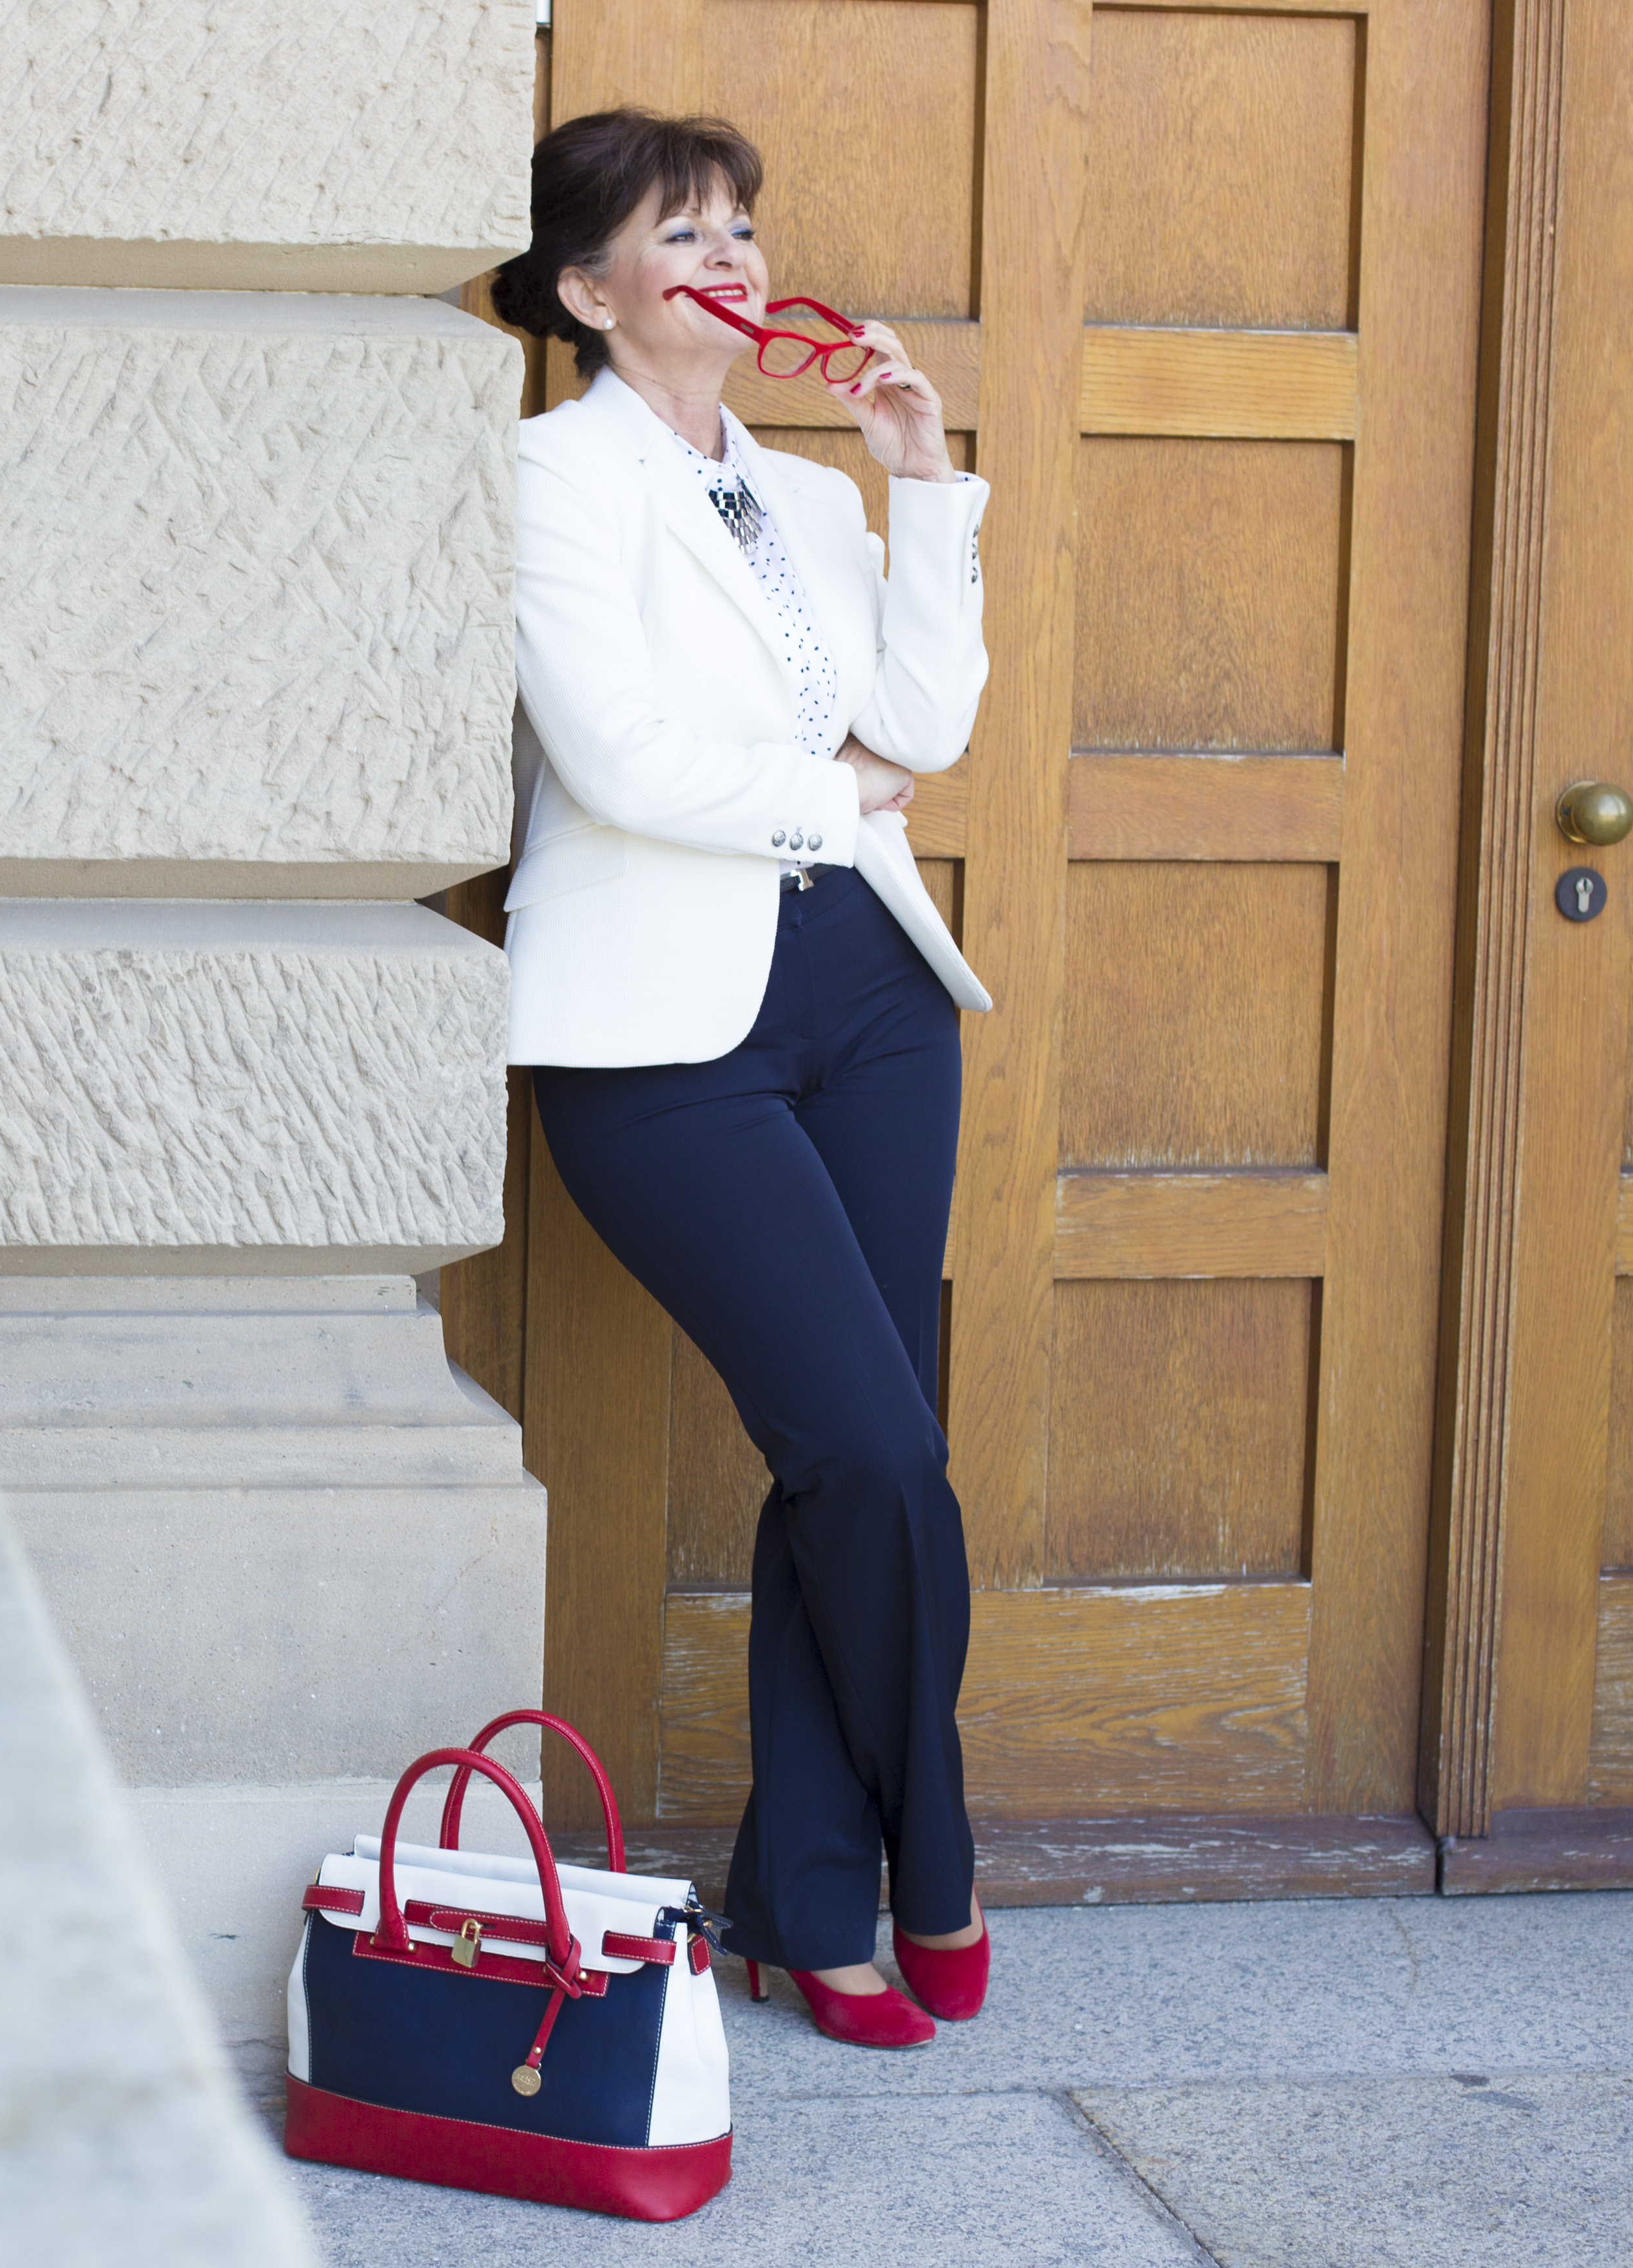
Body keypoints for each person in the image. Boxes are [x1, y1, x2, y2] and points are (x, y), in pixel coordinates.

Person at [487, 108, 995, 2050]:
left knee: (844, 1461)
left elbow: (926, 723)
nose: (731, 255)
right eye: (679, 231)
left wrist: (921, 489)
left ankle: (806, 1897)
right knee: (876, 1455)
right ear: (588, 290)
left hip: (870, 995)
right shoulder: (548, 479)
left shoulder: (805, 494)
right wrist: (835, 790)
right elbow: (616, 764)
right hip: (660, 1031)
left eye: (744, 226)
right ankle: (925, 1853)